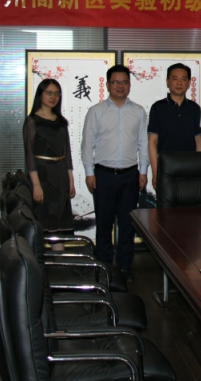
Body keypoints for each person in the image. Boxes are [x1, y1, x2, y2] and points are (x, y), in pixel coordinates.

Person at [81, 65, 149, 280]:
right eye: (116, 82)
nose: (120, 86)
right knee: (104, 224)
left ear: (129, 85)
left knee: (127, 224)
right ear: (108, 84)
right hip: (103, 175)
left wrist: (143, 171)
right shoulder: (96, 111)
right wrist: (89, 173)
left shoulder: (138, 111)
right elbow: (87, 144)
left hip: (130, 175)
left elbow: (143, 143)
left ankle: (125, 267)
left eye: (124, 82)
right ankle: (104, 268)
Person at [23, 79, 75, 249]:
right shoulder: (32, 121)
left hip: (60, 175)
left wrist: (70, 180)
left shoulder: (61, 121)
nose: (53, 97)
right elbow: (29, 155)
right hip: (42, 175)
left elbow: (67, 153)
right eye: (49, 93)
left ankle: (59, 257)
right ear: (40, 95)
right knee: (44, 220)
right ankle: (40, 261)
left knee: (60, 222)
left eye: (57, 93)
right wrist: (36, 185)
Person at [148, 63, 201, 187]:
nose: (179, 83)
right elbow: (152, 141)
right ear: (167, 81)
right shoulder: (158, 107)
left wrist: (198, 168)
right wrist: (155, 173)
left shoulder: (194, 108)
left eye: (183, 79)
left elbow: (199, 140)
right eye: (175, 78)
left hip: (190, 167)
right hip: (166, 168)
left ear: (188, 83)